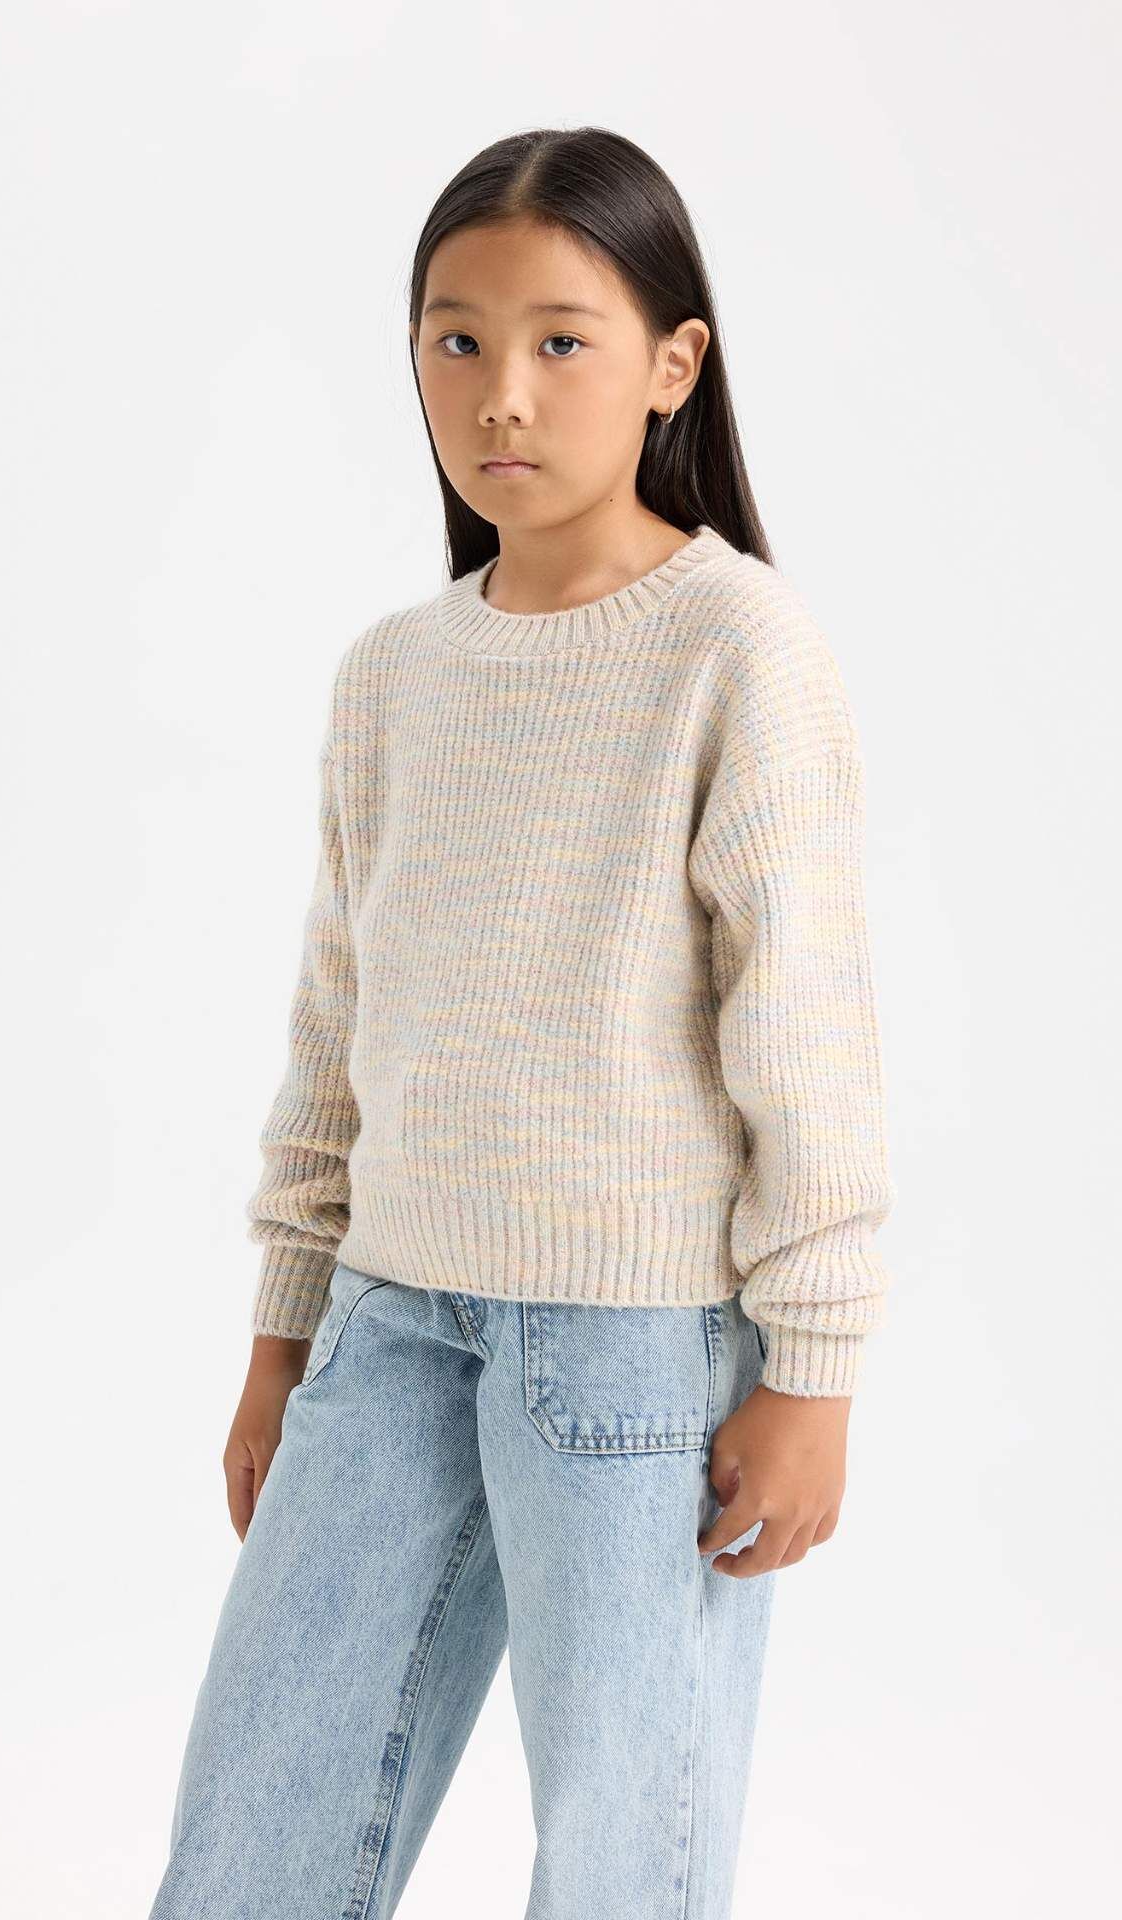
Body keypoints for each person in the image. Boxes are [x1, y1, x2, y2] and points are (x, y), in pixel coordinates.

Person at [148, 124, 895, 1920]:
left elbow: (805, 1033)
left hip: (639, 1346)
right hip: (391, 1323)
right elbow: (338, 1021)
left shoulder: (736, 648)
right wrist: (283, 1329)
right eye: (456, 339)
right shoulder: (394, 675)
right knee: (254, 1826)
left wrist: (813, 1366)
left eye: (563, 340)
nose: (501, 393)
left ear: (672, 364)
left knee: (625, 1857)